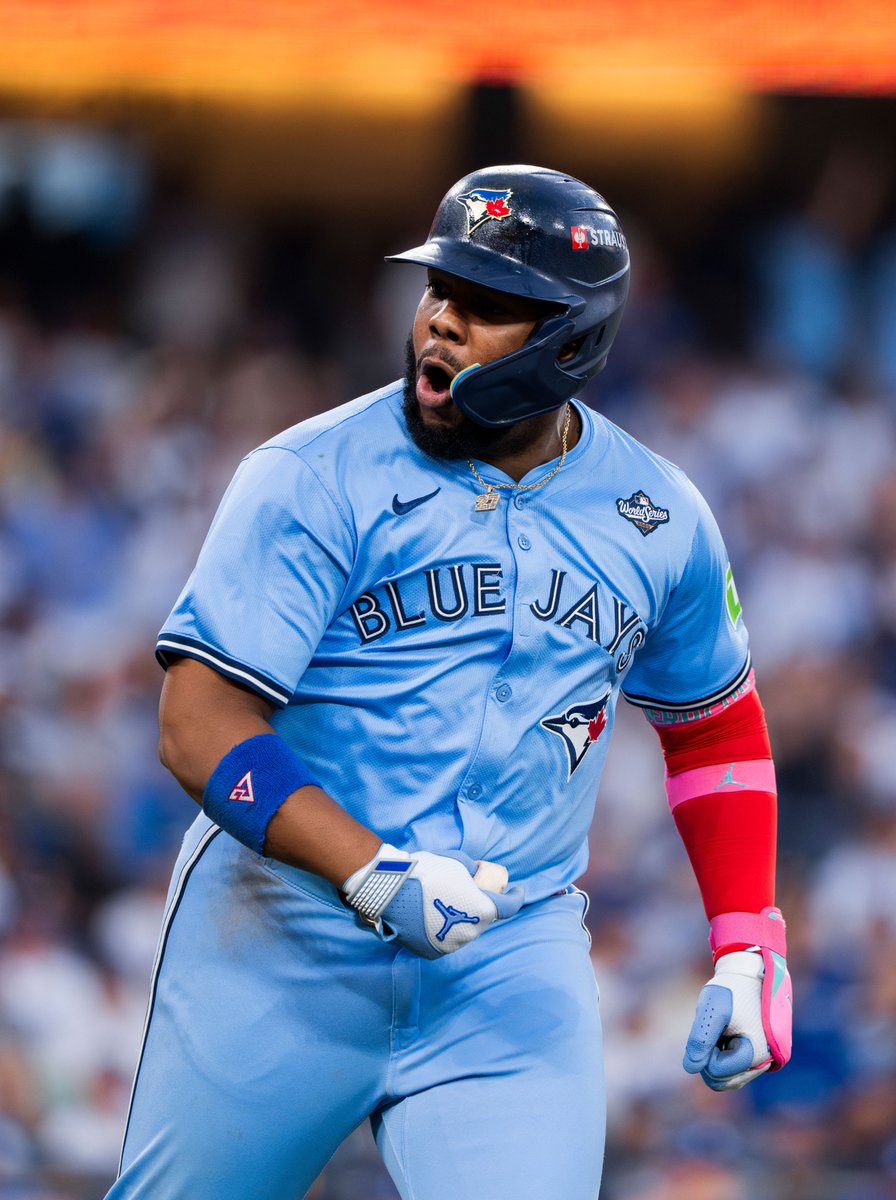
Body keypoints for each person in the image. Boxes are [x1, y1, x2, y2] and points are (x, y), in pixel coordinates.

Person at [108, 165, 792, 1200]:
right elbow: (197, 724)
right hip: (281, 936)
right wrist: (370, 871)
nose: (440, 322)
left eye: (487, 305)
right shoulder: (310, 475)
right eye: (439, 289)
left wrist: (746, 945)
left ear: (572, 340)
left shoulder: (659, 514)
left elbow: (713, 728)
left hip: (506, 962)